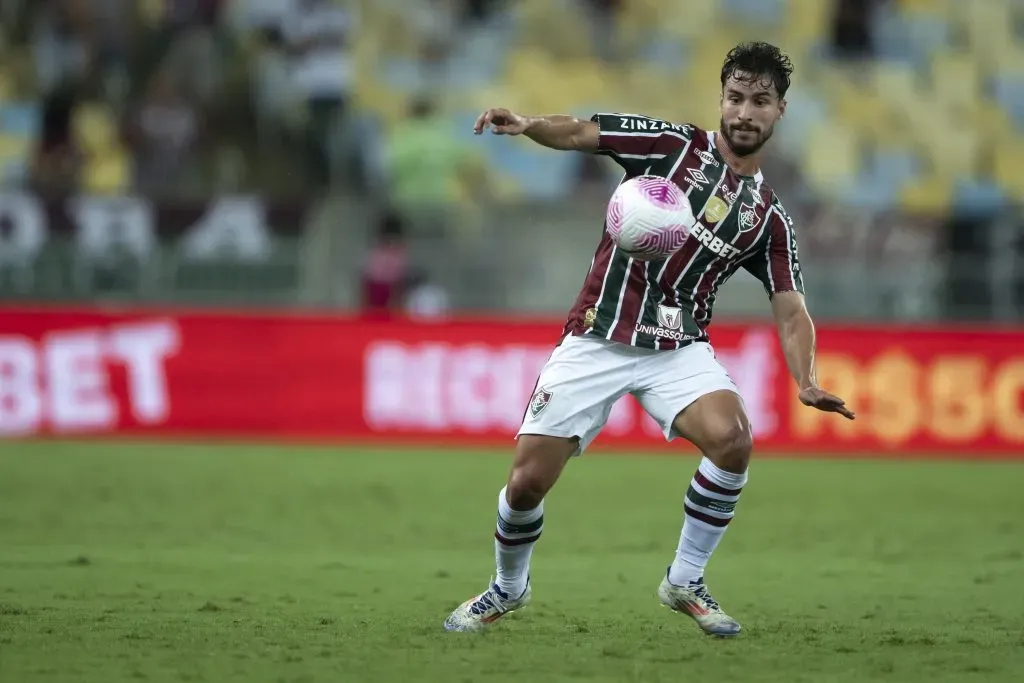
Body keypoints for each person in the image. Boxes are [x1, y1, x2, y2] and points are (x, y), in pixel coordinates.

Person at [443, 42, 856, 637]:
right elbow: (583, 132)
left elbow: (791, 310)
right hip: (599, 334)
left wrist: (806, 379)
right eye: (736, 97)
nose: (745, 112)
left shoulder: (769, 219)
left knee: (733, 440)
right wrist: (529, 124)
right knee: (526, 482)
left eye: (760, 102)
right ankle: (507, 588)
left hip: (677, 347)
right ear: (721, 99)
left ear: (780, 110)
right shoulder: (670, 145)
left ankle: (685, 580)